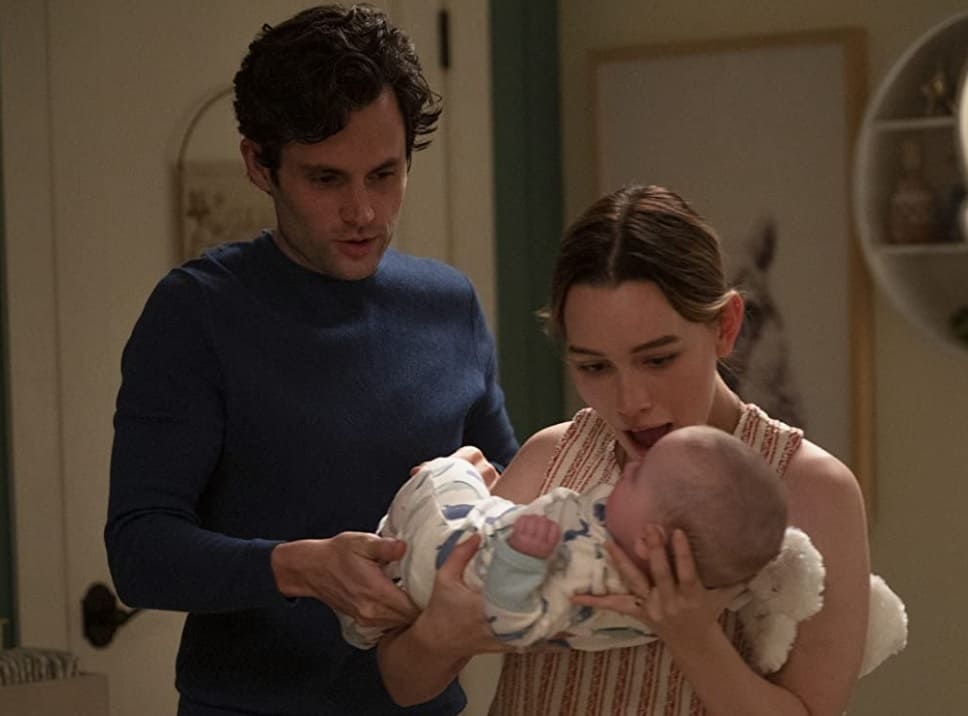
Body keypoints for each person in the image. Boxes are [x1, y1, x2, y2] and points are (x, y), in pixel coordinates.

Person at [104, 5, 517, 716]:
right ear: (258, 165)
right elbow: (139, 553)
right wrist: (297, 567)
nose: (364, 211)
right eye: (327, 180)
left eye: (384, 174)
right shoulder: (196, 313)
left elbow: (510, 493)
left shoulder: (448, 304)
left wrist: (488, 493)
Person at [376, 184, 874, 716]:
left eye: (658, 360)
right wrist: (440, 634)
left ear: (725, 327)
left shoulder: (810, 488)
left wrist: (692, 637)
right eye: (594, 366)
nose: (630, 401)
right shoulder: (552, 457)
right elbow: (405, 683)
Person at [342, 424, 799, 654]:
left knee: (451, 470)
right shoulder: (668, 598)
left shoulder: (585, 570)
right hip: (436, 582)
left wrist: (520, 561)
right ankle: (375, 602)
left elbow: (512, 625)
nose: (630, 469)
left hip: (451, 552)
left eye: (639, 478)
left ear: (650, 539)